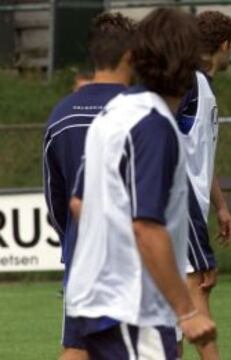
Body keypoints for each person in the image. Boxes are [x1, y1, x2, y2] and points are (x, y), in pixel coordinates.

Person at [65, 8, 216, 359]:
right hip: (132, 306)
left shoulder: (114, 113)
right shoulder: (154, 125)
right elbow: (146, 227)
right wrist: (188, 312)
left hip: (99, 299)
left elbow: (78, 203)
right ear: (189, 63)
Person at [42, 12, 134, 360]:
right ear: (132, 55)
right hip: (136, 255)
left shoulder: (61, 115)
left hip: (84, 254)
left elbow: (55, 196)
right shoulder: (144, 111)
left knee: (78, 346)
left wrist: (75, 238)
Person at [175, 10, 231, 359]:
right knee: (198, 294)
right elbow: (170, 151)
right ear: (225, 45)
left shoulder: (202, 87)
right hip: (178, 211)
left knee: (173, 311)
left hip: (187, 209)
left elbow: (199, 153)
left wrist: (221, 205)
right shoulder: (189, 84)